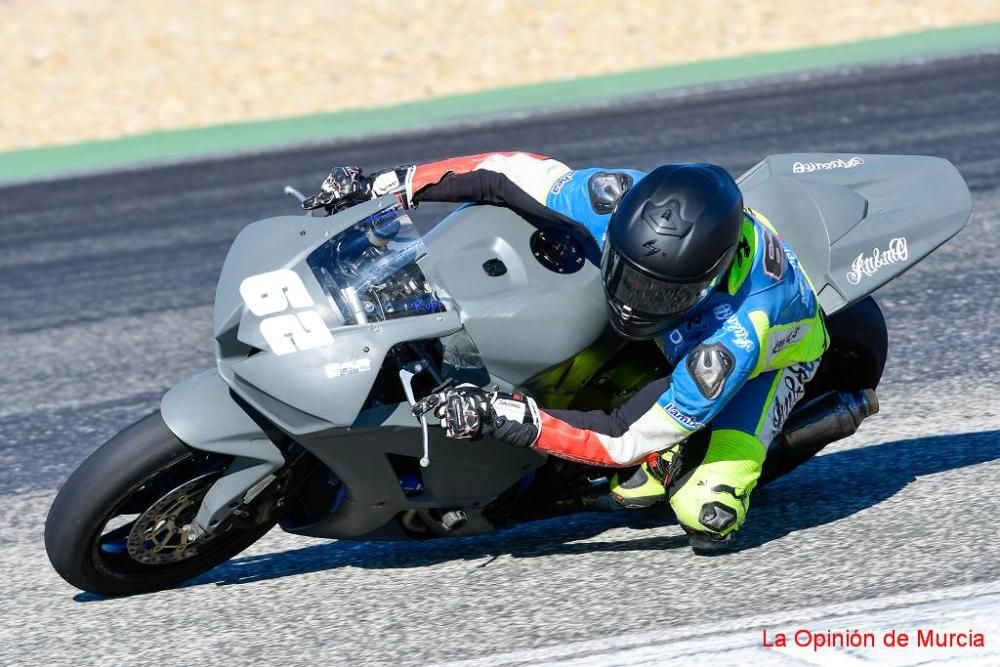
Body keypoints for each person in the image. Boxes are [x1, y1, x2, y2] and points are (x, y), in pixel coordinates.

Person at [303, 152, 828, 552]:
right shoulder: (617, 197)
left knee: (702, 514)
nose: (633, 301)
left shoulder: (739, 337)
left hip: (777, 358)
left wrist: (507, 416)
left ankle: (715, 456)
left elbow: (623, 437)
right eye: (628, 275)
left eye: (661, 295)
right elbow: (504, 172)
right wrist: (391, 184)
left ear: (708, 282)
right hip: (685, 322)